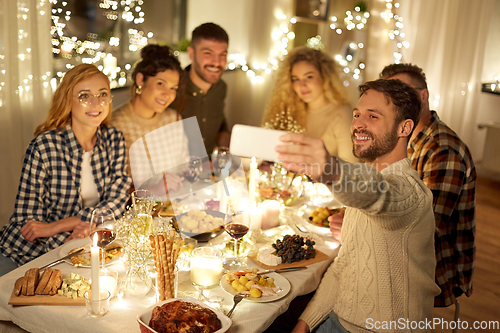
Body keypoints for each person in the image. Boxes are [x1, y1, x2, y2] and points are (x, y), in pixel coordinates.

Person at [276, 79, 440, 333]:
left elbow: (378, 194)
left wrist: (331, 169)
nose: (358, 124)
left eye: (373, 116)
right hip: (339, 320)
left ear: (404, 127)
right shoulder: (369, 176)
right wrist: (305, 324)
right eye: (356, 114)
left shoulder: (411, 192)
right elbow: (344, 266)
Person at [0, 64, 131, 275]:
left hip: (82, 249)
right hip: (26, 253)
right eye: (84, 96)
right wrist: (83, 232)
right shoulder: (44, 146)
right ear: (67, 100)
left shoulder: (114, 138)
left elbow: (117, 199)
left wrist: (60, 226)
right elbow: (30, 226)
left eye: (102, 94)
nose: (96, 103)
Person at [380, 63, 476, 307]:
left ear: (424, 95)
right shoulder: (404, 136)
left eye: (403, 92)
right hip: (402, 247)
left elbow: (425, 227)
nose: (396, 103)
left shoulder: (443, 150)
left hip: (435, 267)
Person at [111, 44, 187, 193]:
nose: (167, 94)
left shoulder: (173, 119)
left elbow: (184, 166)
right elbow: (110, 192)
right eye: (161, 84)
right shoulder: (115, 125)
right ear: (140, 79)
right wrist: (153, 190)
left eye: (173, 88)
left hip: (172, 207)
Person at [261, 46, 357, 163]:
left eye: (309, 77)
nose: (302, 85)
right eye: (296, 79)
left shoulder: (342, 113)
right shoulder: (290, 112)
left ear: (324, 77)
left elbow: (351, 165)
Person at [171, 22, 230, 157]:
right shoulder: (173, 88)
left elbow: (221, 121)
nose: (216, 62)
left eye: (223, 54)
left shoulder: (221, 88)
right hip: (179, 172)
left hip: (211, 170)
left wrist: (225, 139)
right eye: (208, 53)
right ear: (191, 53)